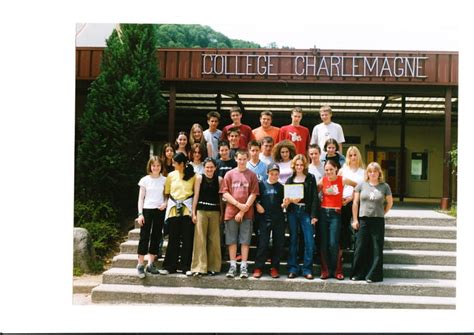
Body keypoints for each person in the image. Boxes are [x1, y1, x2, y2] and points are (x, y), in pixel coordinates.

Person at [220, 149, 259, 279]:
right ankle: (232, 266)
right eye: (239, 159)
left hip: (247, 213)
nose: (242, 161)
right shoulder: (229, 174)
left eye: (244, 159)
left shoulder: (252, 175)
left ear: (247, 159)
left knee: (245, 241)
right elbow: (225, 193)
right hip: (231, 212)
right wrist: (238, 205)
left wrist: (243, 210)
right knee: (231, 240)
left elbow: (254, 193)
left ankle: (243, 266)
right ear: (236, 159)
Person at [351, 162, 393, 283]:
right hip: (363, 219)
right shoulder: (361, 185)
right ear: (367, 173)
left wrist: (382, 213)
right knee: (360, 247)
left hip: (377, 220)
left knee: (376, 248)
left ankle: (373, 275)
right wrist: (355, 219)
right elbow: (355, 203)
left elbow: (389, 203)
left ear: (379, 173)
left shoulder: (385, 186)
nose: (372, 173)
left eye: (375, 171)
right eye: (370, 171)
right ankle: (358, 274)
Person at [160, 152, 196, 276]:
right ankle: (170, 266)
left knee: (187, 239)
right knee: (173, 239)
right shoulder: (171, 175)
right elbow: (167, 192)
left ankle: (186, 266)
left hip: (187, 209)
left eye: (175, 163)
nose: (173, 164)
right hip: (174, 209)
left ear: (181, 163)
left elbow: (194, 193)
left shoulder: (193, 176)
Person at [284, 154, 319, 279]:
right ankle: (293, 268)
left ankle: (307, 269)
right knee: (293, 239)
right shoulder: (289, 180)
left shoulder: (310, 178)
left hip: (306, 212)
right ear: (294, 165)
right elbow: (286, 200)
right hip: (293, 212)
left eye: (301, 164)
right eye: (297, 164)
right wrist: (288, 202)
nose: (299, 167)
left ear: (304, 165)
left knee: (309, 240)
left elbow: (315, 197)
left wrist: (314, 215)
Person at [135, 156, 167, 278]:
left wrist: (165, 203)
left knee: (156, 236)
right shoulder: (144, 180)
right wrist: (140, 214)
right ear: (150, 166)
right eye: (153, 165)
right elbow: (140, 198)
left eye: (158, 165)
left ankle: (151, 264)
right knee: (144, 236)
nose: (156, 168)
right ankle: (140, 265)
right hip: (147, 210)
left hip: (159, 210)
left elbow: (166, 196)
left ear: (161, 167)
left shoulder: (165, 180)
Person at [190, 157, 223, 276]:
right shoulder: (199, 178)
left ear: (215, 168)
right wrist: (193, 212)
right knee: (200, 239)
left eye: (211, 167)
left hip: (215, 211)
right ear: (204, 168)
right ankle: (199, 267)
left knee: (214, 239)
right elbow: (196, 195)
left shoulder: (219, 179)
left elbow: (220, 198)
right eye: (207, 167)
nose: (209, 169)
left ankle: (213, 266)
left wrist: (222, 213)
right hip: (201, 211)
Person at [317, 159, 349, 280]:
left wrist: (349, 198)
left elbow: (358, 186)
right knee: (324, 243)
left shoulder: (342, 179)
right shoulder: (322, 180)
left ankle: (337, 270)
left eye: (331, 169)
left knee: (333, 243)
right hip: (324, 213)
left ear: (336, 168)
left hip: (336, 214)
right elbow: (314, 193)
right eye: (326, 170)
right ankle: (325, 270)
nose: (329, 172)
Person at [253, 163, 285, 279]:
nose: (274, 176)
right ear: (267, 173)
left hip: (278, 219)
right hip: (264, 218)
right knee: (263, 243)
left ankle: (274, 267)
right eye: (272, 174)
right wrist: (257, 205)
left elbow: (284, 203)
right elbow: (254, 198)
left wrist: (284, 204)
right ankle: (258, 267)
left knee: (278, 244)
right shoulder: (261, 185)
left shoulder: (281, 187)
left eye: (276, 174)